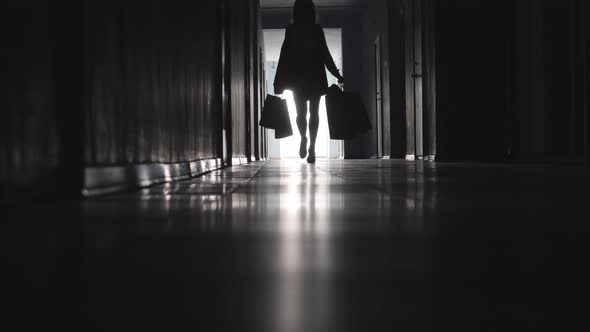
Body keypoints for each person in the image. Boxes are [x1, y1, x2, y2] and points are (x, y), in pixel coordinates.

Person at [274, 0, 344, 164]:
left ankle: (304, 138)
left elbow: (284, 54)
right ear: (312, 12)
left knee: (301, 113)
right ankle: (312, 147)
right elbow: (325, 53)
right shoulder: (316, 29)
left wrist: (279, 81)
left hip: (298, 75)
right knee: (314, 112)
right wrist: (337, 74)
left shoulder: (291, 29)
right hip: (315, 75)